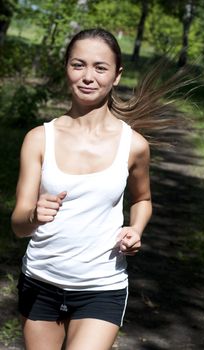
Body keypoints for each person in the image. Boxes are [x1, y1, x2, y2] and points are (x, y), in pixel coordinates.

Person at [11, 28, 153, 350]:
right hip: (41, 282)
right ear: (67, 68)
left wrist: (136, 227)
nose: (88, 76)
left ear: (116, 76)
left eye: (100, 68)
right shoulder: (38, 139)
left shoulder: (134, 145)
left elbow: (142, 199)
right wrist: (33, 214)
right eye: (79, 65)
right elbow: (18, 224)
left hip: (102, 285)